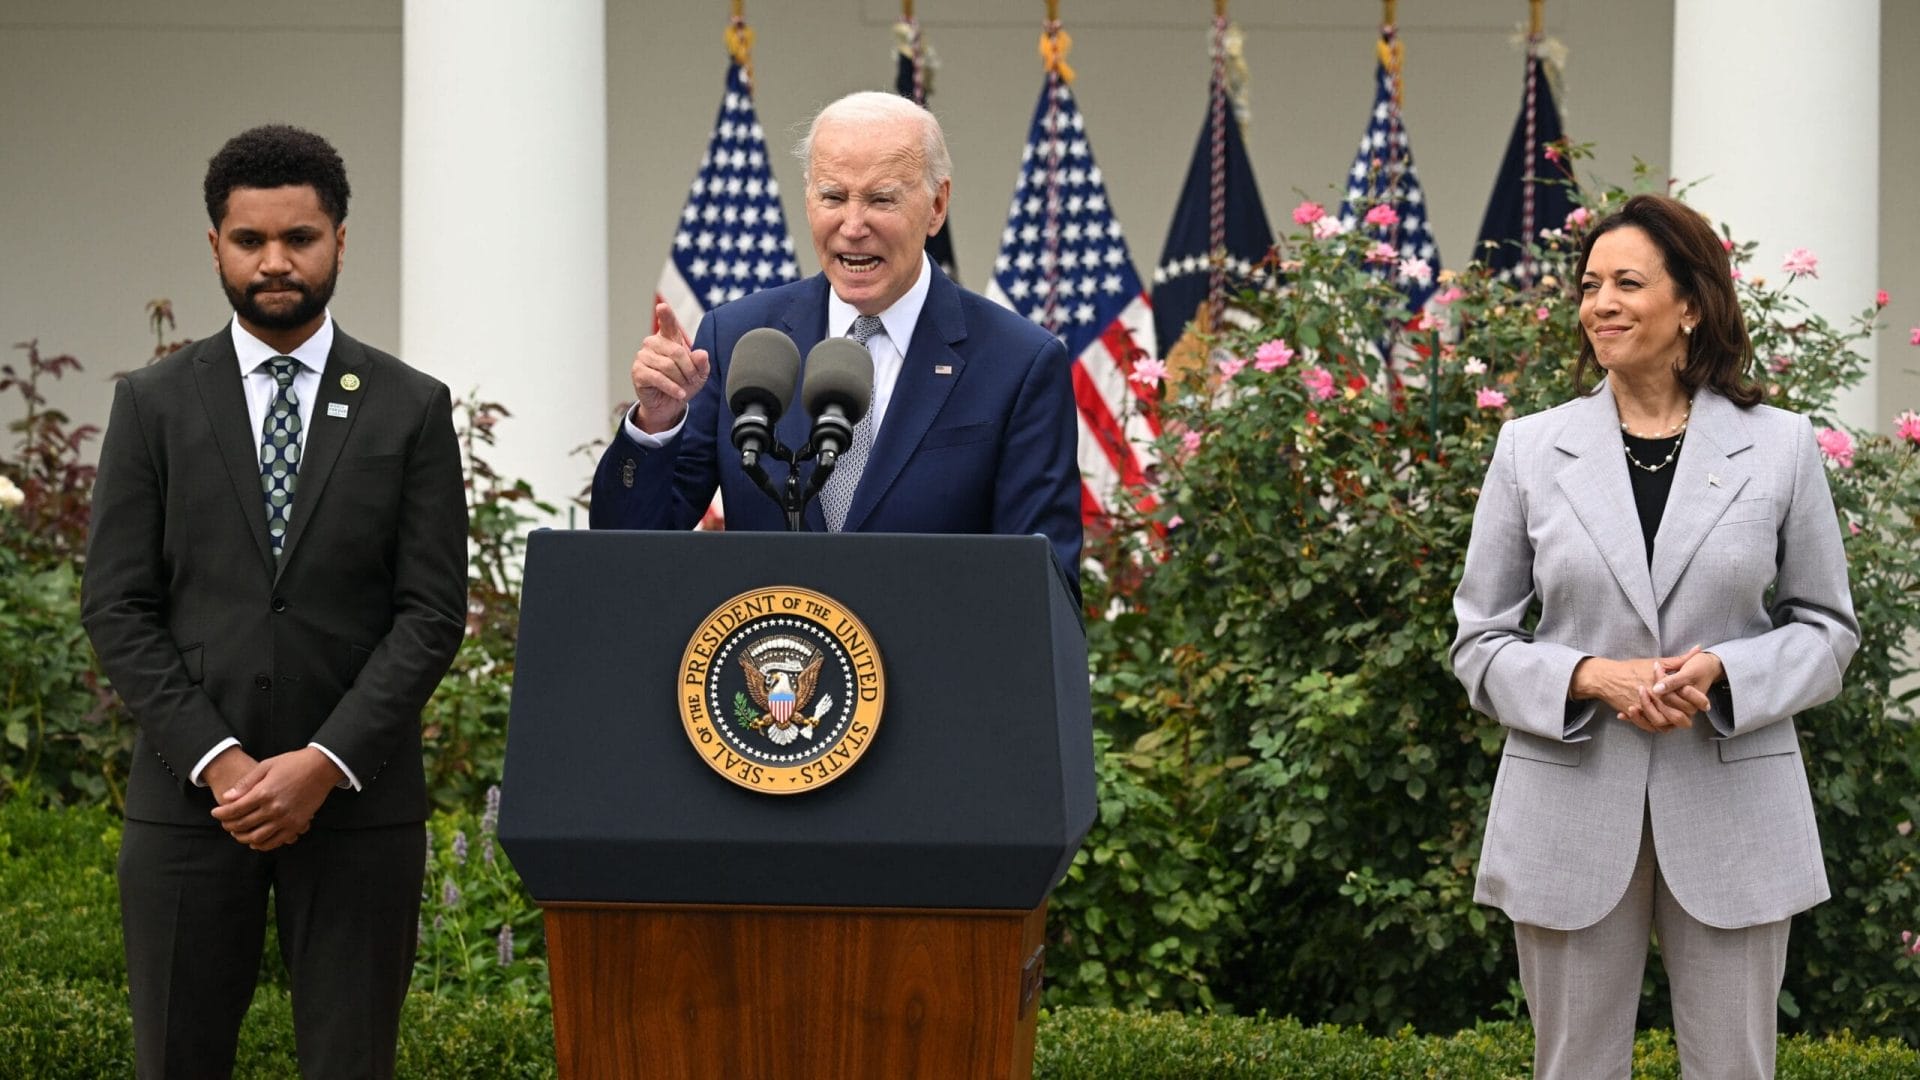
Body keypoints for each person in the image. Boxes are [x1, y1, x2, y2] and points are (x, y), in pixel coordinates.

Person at [81, 124, 468, 1079]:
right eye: (251, 241)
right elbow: (116, 604)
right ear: (215, 245)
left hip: (357, 808)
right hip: (188, 804)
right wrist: (220, 764)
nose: (276, 262)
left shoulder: (409, 406)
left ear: (341, 238)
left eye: (300, 237)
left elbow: (432, 613)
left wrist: (323, 763)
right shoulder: (155, 402)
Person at [1451, 193, 1858, 1079]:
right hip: (1569, 805)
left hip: (1735, 811)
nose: (1602, 303)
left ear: (1691, 305)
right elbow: (1478, 642)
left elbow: (1828, 630)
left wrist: (1724, 670)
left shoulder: (1782, 448)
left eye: (1628, 282)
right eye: (1591, 284)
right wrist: (1591, 676)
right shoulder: (1529, 450)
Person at [588, 91, 1082, 595]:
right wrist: (656, 424)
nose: (852, 227)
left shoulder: (1018, 363)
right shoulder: (738, 338)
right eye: (833, 197)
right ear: (808, 199)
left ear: (936, 206)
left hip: (938, 667)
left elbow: (1043, 586)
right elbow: (624, 548)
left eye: (881, 199)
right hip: (772, 667)